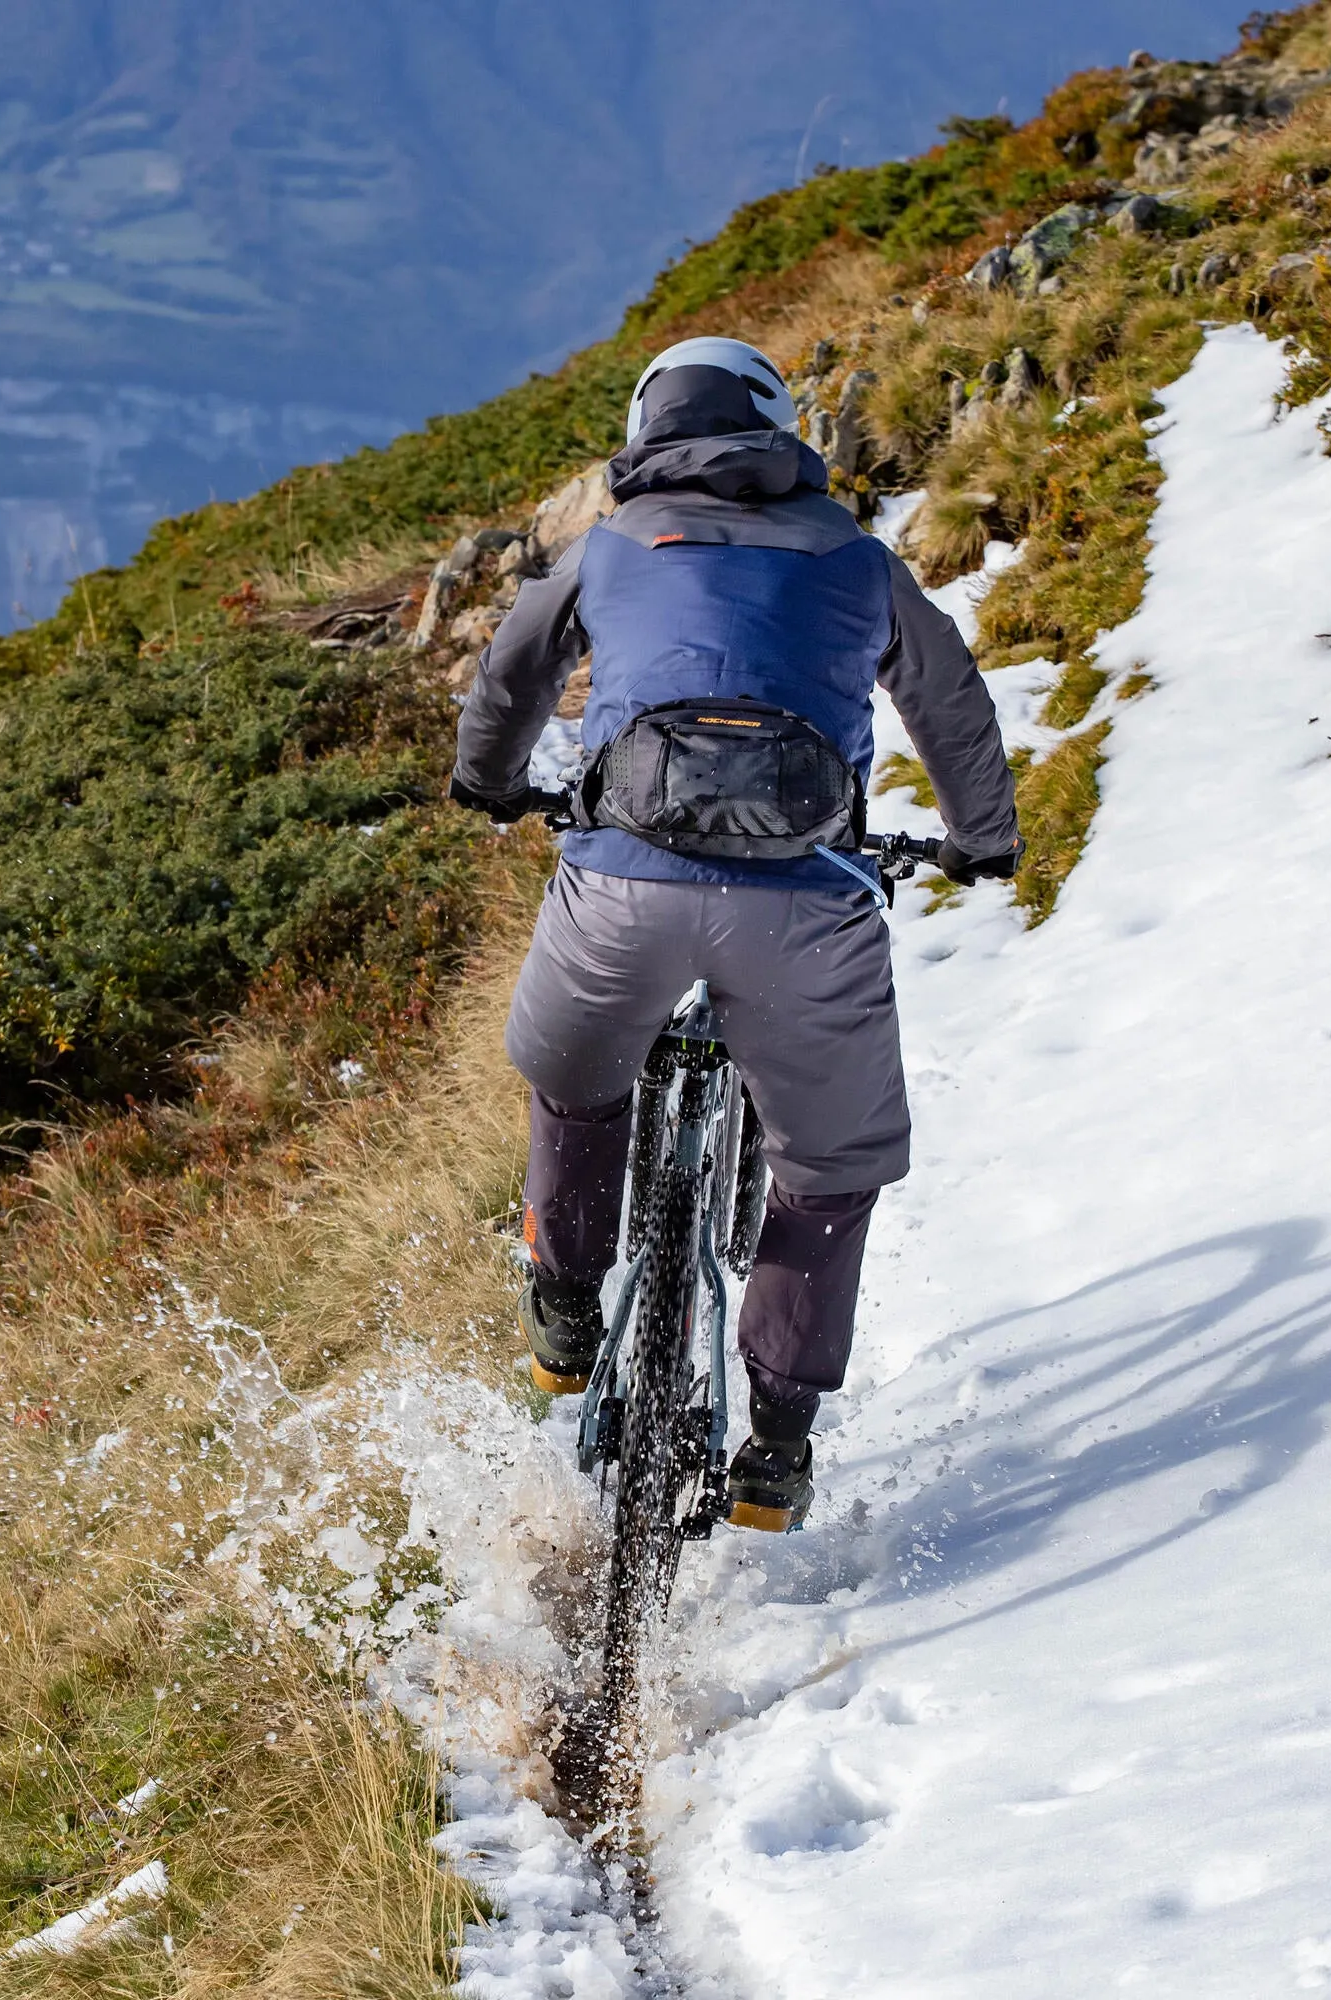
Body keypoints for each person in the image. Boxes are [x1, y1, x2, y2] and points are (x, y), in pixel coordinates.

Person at [449, 335, 1021, 1531]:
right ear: (778, 426)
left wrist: (492, 784)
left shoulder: (610, 547)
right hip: (805, 903)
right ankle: (776, 1438)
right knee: (827, 1168)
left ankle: (563, 1297)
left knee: (577, 1080)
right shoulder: (860, 561)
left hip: (623, 887)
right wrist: (980, 839)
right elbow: (951, 703)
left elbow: (508, 680)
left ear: (647, 429)